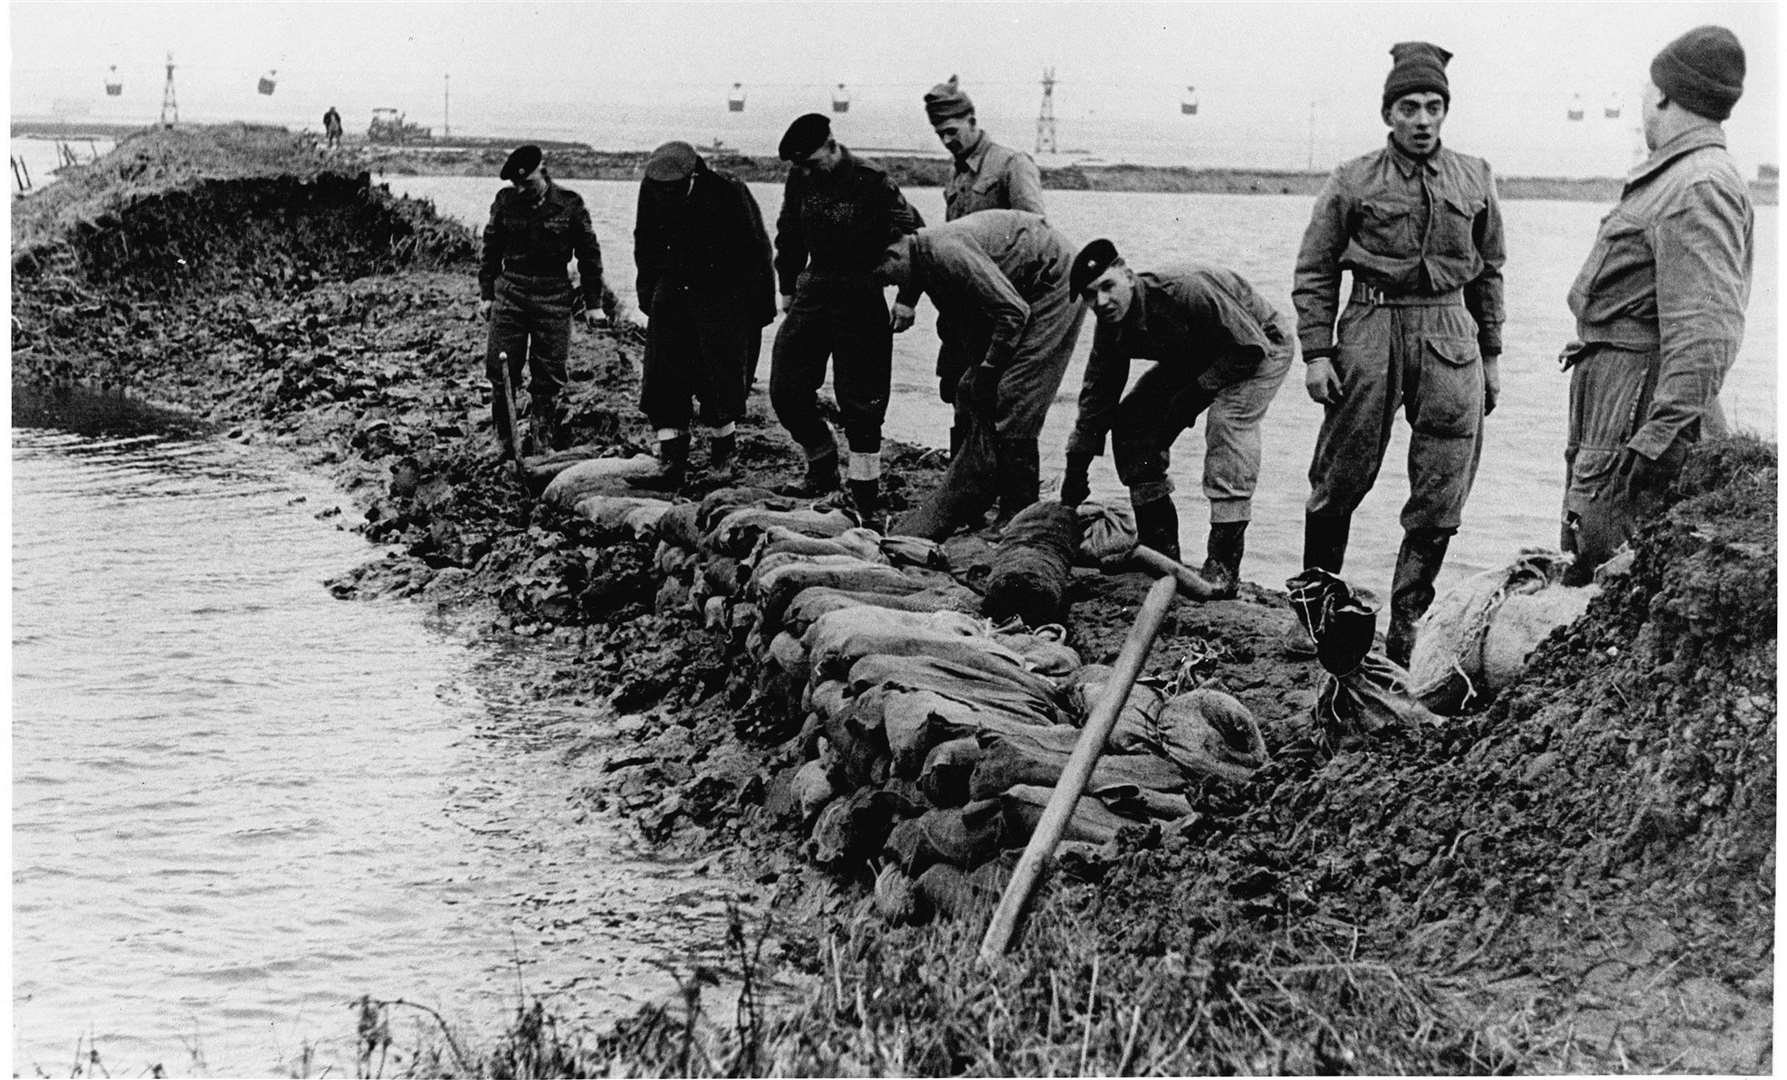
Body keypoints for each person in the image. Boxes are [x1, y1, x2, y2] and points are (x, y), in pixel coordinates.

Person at [1291, 41, 1506, 664]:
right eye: (1408, 106)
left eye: (1433, 106)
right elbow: (1315, 268)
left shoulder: (1475, 175)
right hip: (1370, 325)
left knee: (1444, 482)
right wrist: (1315, 351)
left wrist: (1491, 355)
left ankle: (1407, 625)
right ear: (1389, 113)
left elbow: (1490, 270)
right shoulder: (1353, 178)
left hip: (1449, 330)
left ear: (1445, 112)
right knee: (1340, 474)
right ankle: (1316, 614)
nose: (1421, 119)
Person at [1559, 25, 1752, 584]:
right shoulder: (1681, 178)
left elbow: (1707, 331)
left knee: (1609, 558)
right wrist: (1608, 331)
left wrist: (1656, 439)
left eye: (1645, 95)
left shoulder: (1696, 185)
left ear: (1664, 96)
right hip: (1624, 390)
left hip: (1639, 407)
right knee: (1591, 546)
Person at [1059, 240, 1293, 598]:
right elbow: (1098, 396)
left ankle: (1222, 565)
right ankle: (1161, 553)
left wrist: (1189, 400)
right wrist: (1077, 470)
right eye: (1091, 297)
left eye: (1107, 287)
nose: (1101, 302)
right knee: (1132, 421)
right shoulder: (1110, 325)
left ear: (1126, 273)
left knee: (1226, 424)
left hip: (1260, 345)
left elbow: (1249, 348)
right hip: (1199, 354)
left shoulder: (1184, 289)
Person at [872, 210, 1084, 534]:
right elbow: (969, 319)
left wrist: (990, 366)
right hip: (1021, 289)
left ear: (893, 252)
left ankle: (1018, 512)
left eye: (886, 275)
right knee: (968, 389)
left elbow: (1012, 312)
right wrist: (976, 373)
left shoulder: (945, 252)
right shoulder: (924, 262)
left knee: (1016, 393)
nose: (890, 284)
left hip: (1056, 281)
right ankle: (977, 498)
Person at [770, 113, 923, 526]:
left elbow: (918, 240)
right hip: (814, 288)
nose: (806, 171)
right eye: (799, 165)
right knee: (785, 387)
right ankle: (821, 466)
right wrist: (787, 285)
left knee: (863, 402)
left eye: (812, 162)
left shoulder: (872, 181)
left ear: (832, 146)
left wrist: (908, 299)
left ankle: (864, 497)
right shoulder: (800, 177)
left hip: (862, 291)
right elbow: (788, 233)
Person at [894, 75, 1048, 459]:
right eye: (939, 134)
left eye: (951, 131)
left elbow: (1036, 237)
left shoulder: (1012, 164)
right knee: (956, 390)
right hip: (962, 310)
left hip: (1000, 309)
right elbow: (942, 243)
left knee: (1002, 399)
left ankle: (1006, 494)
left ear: (972, 120)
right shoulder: (958, 173)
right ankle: (964, 483)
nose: (947, 141)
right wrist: (908, 297)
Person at [626, 140, 775, 490]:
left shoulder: (728, 191)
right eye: (661, 188)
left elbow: (757, 251)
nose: (667, 194)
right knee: (663, 377)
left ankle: (724, 456)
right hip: (672, 290)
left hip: (722, 293)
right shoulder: (652, 189)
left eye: (674, 188)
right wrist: (649, 296)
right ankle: (671, 462)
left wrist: (759, 309)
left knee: (719, 377)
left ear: (694, 175)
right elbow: (644, 243)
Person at [478, 144, 606, 456]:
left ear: (542, 172)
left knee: (549, 374)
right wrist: (486, 296)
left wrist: (594, 304)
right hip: (511, 290)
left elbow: (589, 256)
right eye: (517, 184)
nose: (522, 189)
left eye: (528, 183)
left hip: (553, 293)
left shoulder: (570, 204)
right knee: (502, 369)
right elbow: (491, 249)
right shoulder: (505, 202)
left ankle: (542, 441)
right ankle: (505, 442)